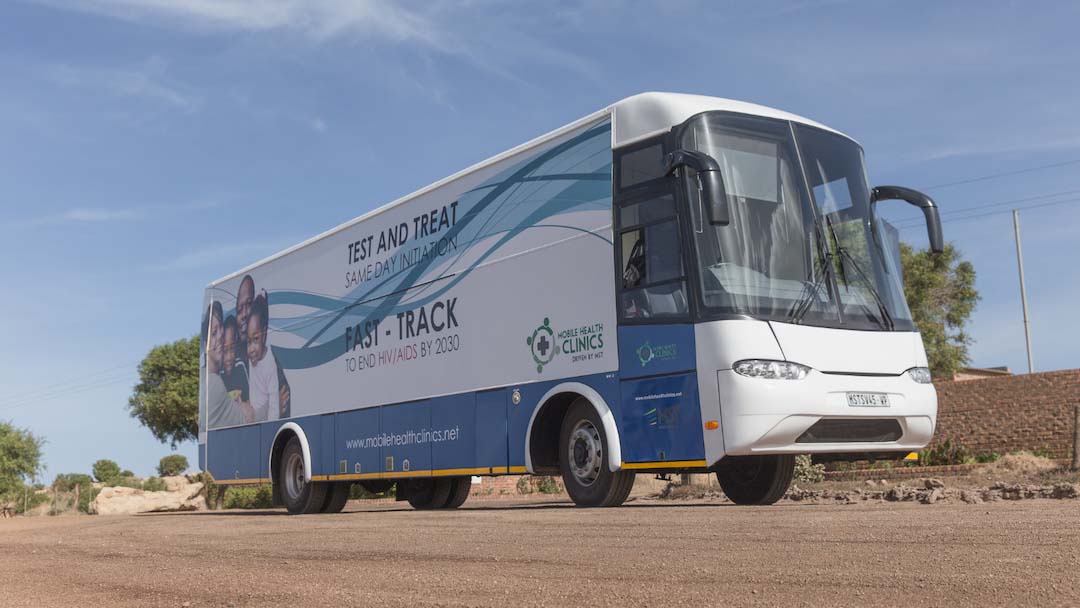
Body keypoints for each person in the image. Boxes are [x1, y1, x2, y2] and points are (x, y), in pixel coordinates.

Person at [201, 302, 248, 429]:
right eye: (214, 332)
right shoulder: (214, 383)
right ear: (206, 346)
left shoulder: (207, 377)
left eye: (221, 328)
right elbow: (247, 418)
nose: (221, 335)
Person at [246, 293, 280, 422]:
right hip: (251, 418)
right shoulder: (251, 358)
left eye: (255, 339)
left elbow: (274, 404)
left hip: (262, 419)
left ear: (264, 334)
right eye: (249, 342)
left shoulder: (270, 363)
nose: (251, 349)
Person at [220, 315, 250, 405]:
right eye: (224, 350)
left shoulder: (240, 366)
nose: (229, 357)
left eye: (232, 349)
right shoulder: (218, 374)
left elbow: (249, 401)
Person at [235, 274, 255, 367]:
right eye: (239, 310)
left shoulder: (268, 355)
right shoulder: (233, 361)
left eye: (249, 304)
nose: (244, 314)